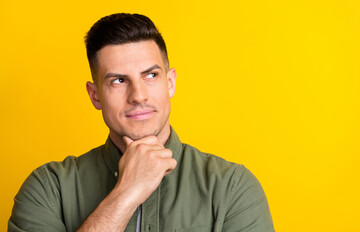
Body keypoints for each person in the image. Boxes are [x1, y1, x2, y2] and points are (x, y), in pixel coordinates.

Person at [8, 13, 274, 232]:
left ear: (170, 82)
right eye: (119, 81)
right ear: (95, 95)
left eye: (150, 76)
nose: (138, 96)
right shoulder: (48, 188)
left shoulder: (233, 188)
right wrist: (127, 192)